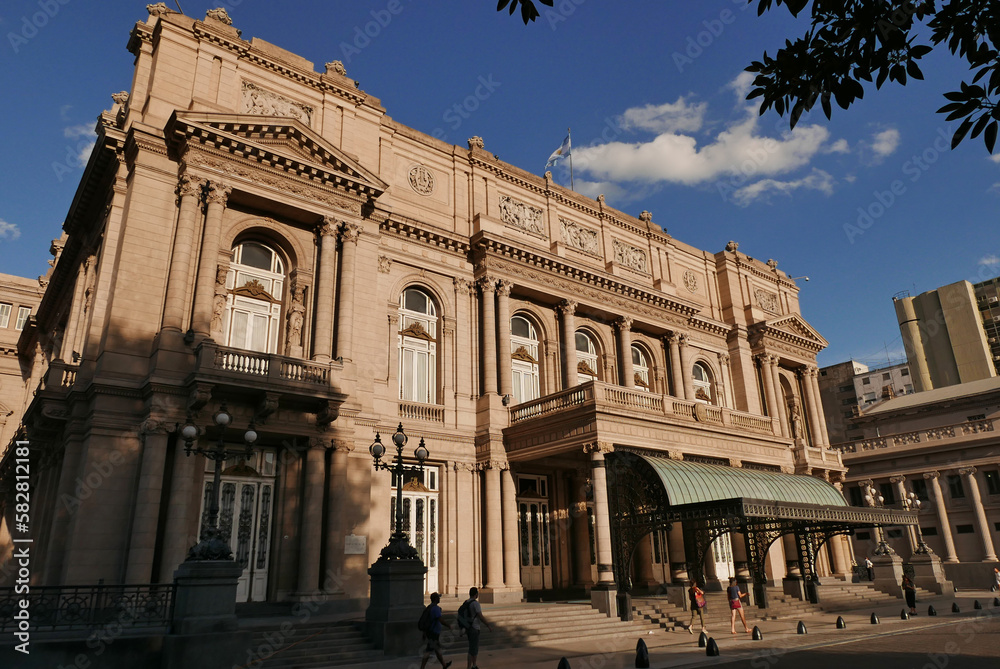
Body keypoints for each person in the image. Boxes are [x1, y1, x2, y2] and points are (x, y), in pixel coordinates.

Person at [420, 592, 452, 669]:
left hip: (431, 632)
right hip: (433, 632)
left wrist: (424, 633)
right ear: (435, 599)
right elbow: (440, 619)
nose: (439, 599)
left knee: (437, 650)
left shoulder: (429, 607)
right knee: (429, 651)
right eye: (438, 597)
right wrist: (448, 625)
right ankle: (422, 667)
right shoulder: (435, 608)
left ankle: (444, 665)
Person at [464, 587, 492, 669]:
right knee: (473, 648)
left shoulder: (466, 602)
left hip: (468, 627)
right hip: (474, 627)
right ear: (476, 594)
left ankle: (473, 665)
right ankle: (470, 666)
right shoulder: (475, 604)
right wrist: (488, 625)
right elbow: (481, 616)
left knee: (472, 647)